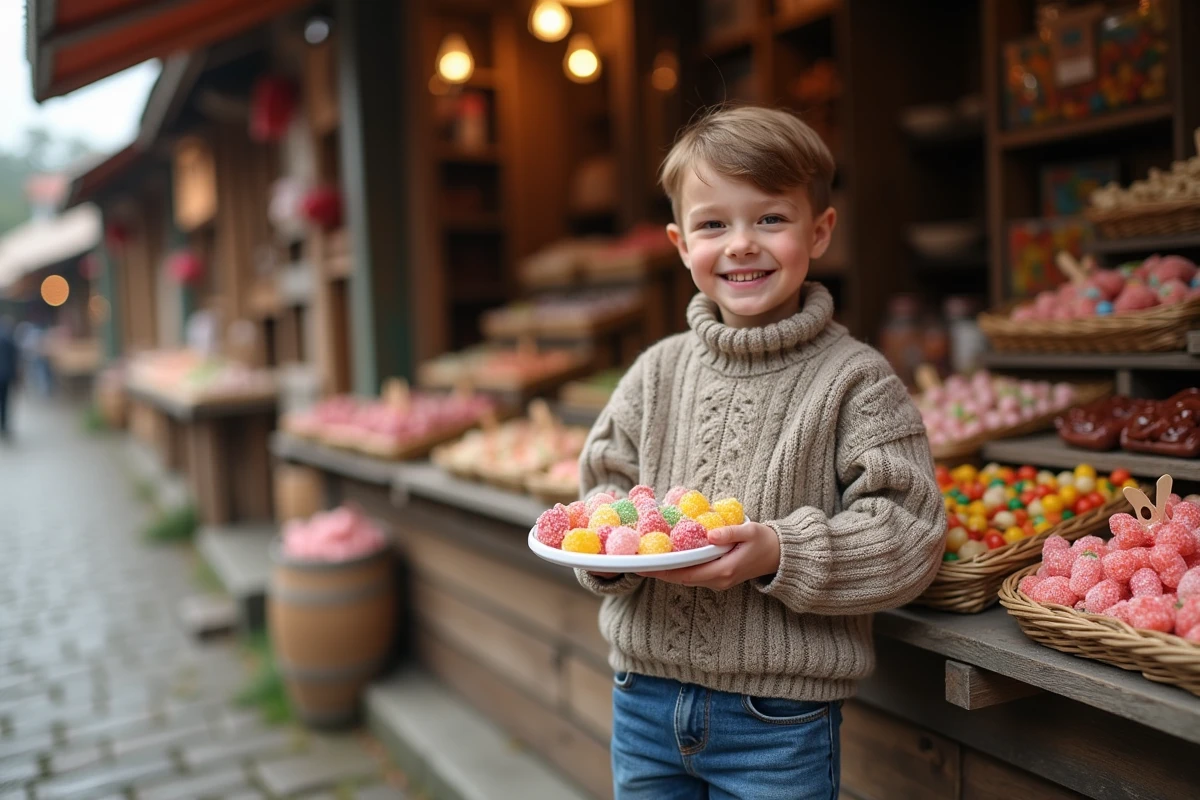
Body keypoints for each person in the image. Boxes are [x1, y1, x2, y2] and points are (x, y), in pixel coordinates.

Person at [575, 106, 946, 799]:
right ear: (681, 243)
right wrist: (606, 544)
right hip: (643, 698)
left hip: (776, 719)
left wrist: (781, 550)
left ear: (820, 230)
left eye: (770, 219)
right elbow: (605, 487)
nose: (742, 244)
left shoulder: (857, 381)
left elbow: (910, 532)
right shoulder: (655, 373)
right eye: (714, 224)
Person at [0, 316, 18, 438]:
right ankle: (4, 425)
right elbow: (15, 359)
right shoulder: (9, 339)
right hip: (6, 375)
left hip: (5, 374)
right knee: (5, 401)